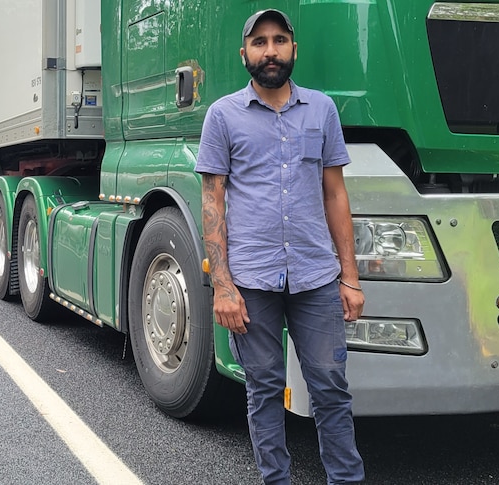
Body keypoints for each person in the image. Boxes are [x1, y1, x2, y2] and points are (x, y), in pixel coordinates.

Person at [195, 9, 366, 485]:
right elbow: (212, 202)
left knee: (331, 389)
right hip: (251, 280)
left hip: (315, 277)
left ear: (294, 48)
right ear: (244, 54)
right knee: (264, 389)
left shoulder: (322, 110)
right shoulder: (223, 115)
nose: (270, 50)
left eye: (279, 40)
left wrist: (349, 278)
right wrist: (222, 286)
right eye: (260, 42)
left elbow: (335, 194)